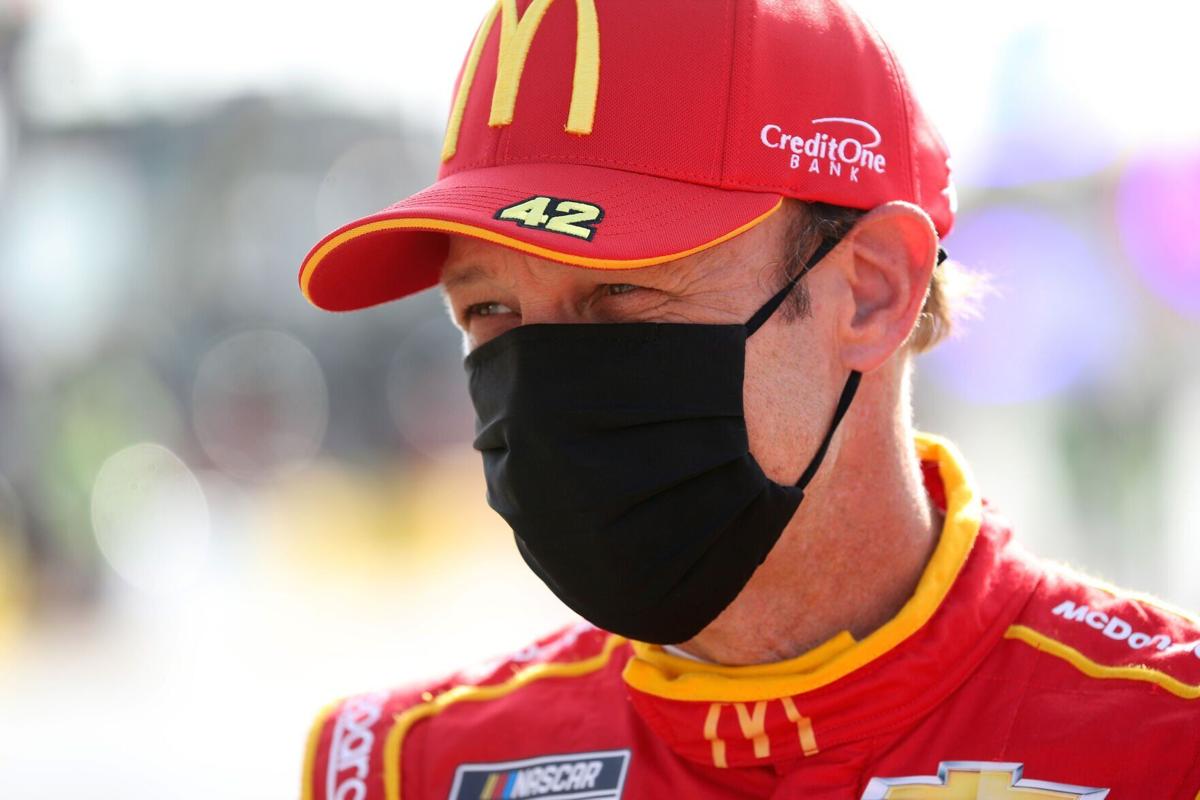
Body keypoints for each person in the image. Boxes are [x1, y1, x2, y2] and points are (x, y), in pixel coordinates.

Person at [296, 1, 1200, 797]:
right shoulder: (411, 769)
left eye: (621, 293)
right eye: (488, 309)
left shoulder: (1167, 741)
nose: (543, 378)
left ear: (871, 293)